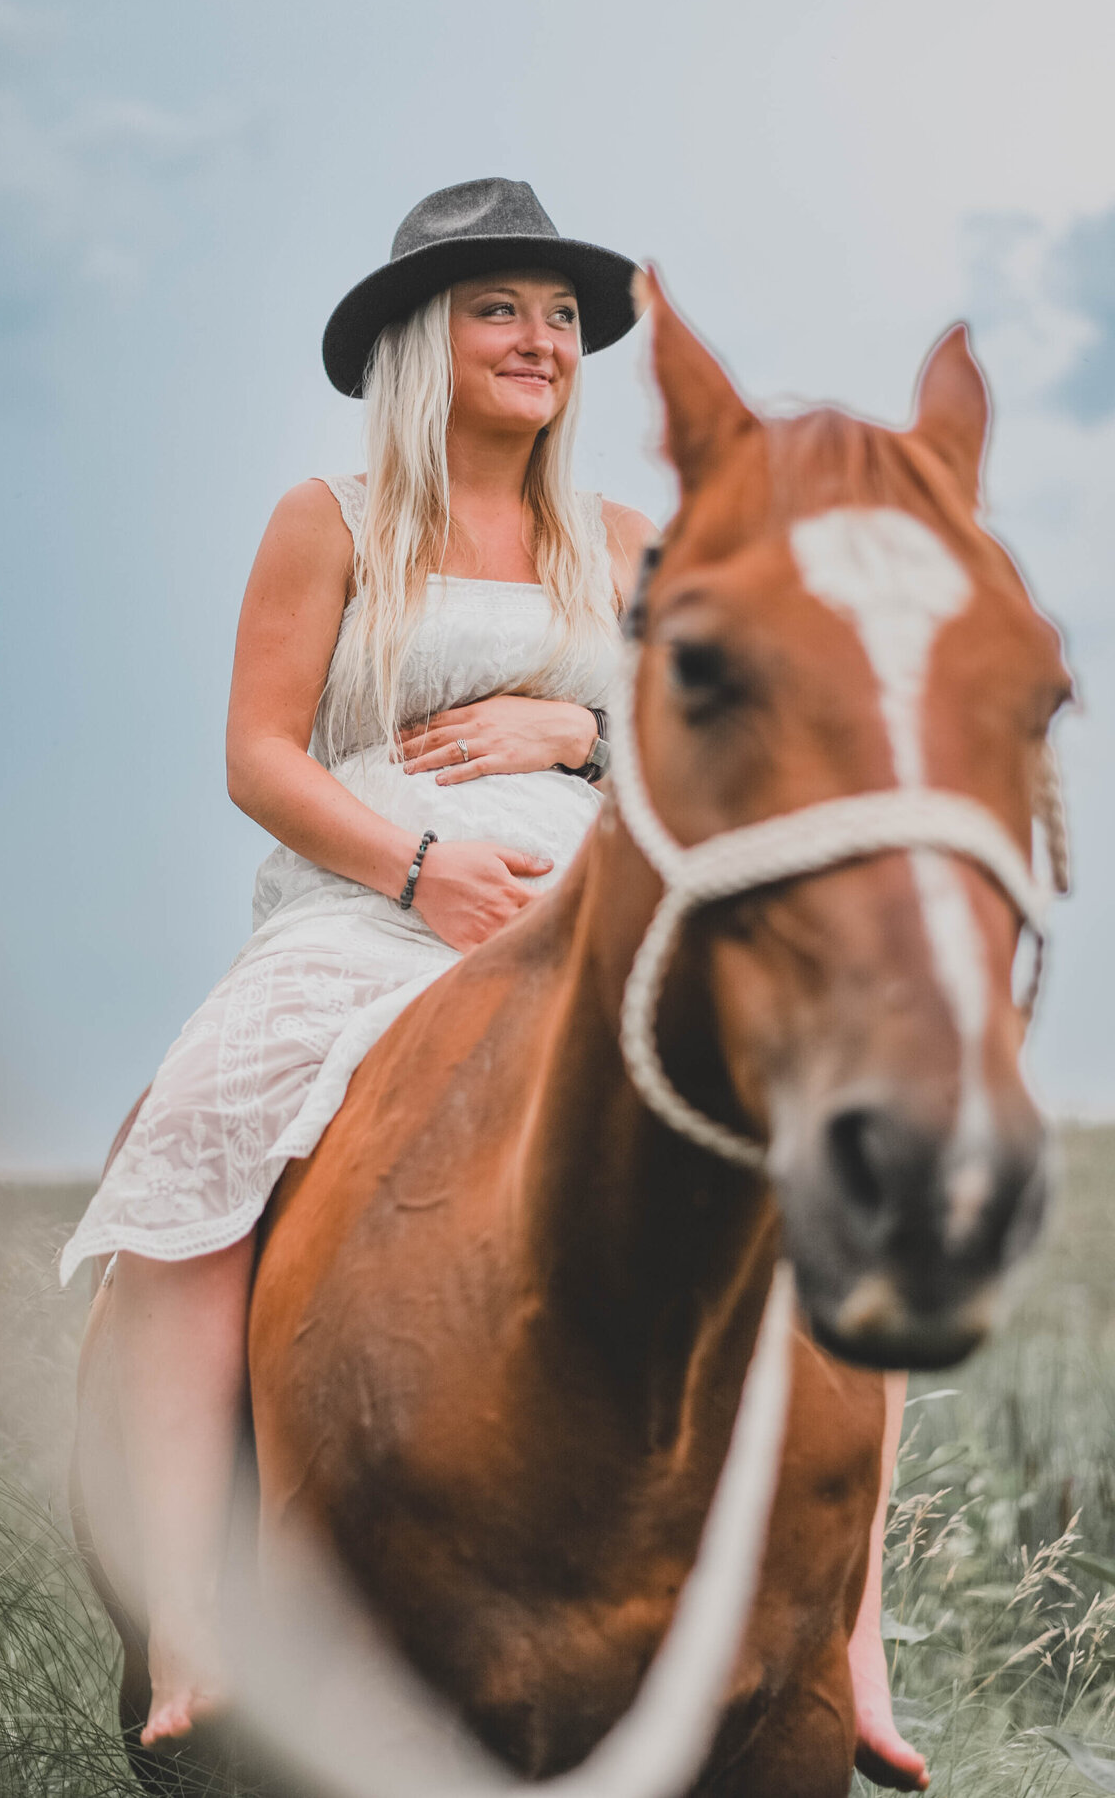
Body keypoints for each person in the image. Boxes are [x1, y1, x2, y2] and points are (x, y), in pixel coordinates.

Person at [61, 176, 925, 1790]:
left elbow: (708, 752)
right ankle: (188, 1609)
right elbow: (257, 751)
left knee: (812, 1150)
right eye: (497, 308)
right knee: (195, 1137)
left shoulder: (626, 545)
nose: (542, 339)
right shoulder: (328, 522)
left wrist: (577, 730)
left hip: (605, 906)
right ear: (418, 340)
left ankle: (848, 1627)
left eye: (557, 315)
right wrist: (416, 869)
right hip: (371, 907)